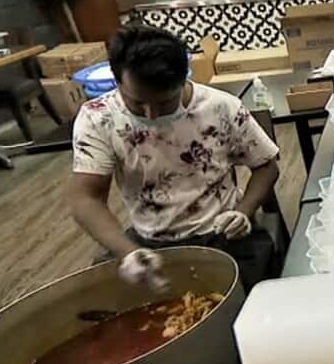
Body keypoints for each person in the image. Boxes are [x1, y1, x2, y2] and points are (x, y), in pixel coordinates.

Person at [67, 24, 282, 291]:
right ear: (116, 81)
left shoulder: (220, 106)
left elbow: (266, 166)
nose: (152, 115)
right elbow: (86, 198)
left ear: (183, 79)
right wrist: (128, 252)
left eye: (165, 103)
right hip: (150, 243)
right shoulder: (99, 118)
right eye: (137, 104)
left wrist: (244, 212)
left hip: (221, 235)